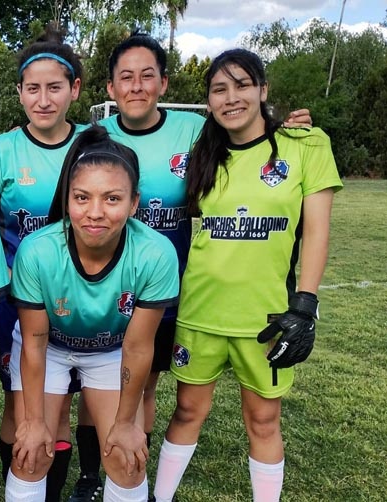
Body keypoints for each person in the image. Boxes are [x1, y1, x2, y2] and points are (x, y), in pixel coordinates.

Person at [90, 33, 314, 501]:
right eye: (220, 89)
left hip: (173, 295)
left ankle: (136, 483)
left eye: (147, 75)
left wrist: (287, 127)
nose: (136, 86)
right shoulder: (92, 138)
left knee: (146, 389)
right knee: (101, 387)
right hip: (115, 291)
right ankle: (97, 475)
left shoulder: (199, 135)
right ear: (109, 89)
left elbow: (254, 141)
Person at [151, 48, 342, 502]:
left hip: (267, 318)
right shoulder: (203, 154)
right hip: (200, 312)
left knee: (263, 420)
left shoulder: (306, 145)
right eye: (219, 89)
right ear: (209, 101)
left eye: (241, 85)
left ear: (263, 90)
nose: (230, 97)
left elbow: (316, 231)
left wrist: (306, 304)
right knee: (185, 413)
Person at [5, 124, 180, 502]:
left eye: (112, 199)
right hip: (47, 347)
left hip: (111, 349)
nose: (95, 213)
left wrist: (126, 424)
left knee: (124, 457)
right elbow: (33, 344)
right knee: (32, 452)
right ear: (67, 200)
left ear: (134, 204)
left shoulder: (155, 253)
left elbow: (137, 347)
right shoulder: (37, 251)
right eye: (82, 198)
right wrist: (34, 422)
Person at [0, 24, 88, 502]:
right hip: (16, 303)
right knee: (22, 403)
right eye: (33, 88)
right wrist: (7, 278)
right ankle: (18, 485)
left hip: (81, 298)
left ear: (74, 90)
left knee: (58, 407)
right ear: (19, 92)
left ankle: (51, 492)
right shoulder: (1, 150)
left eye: (54, 87)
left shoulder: (93, 143)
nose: (43, 99)